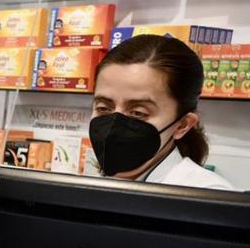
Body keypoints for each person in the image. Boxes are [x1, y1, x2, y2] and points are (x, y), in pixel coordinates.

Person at [91, 34, 236, 191]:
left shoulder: (207, 195)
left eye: (138, 113)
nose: (114, 125)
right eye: (103, 108)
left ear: (182, 125)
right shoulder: (92, 183)